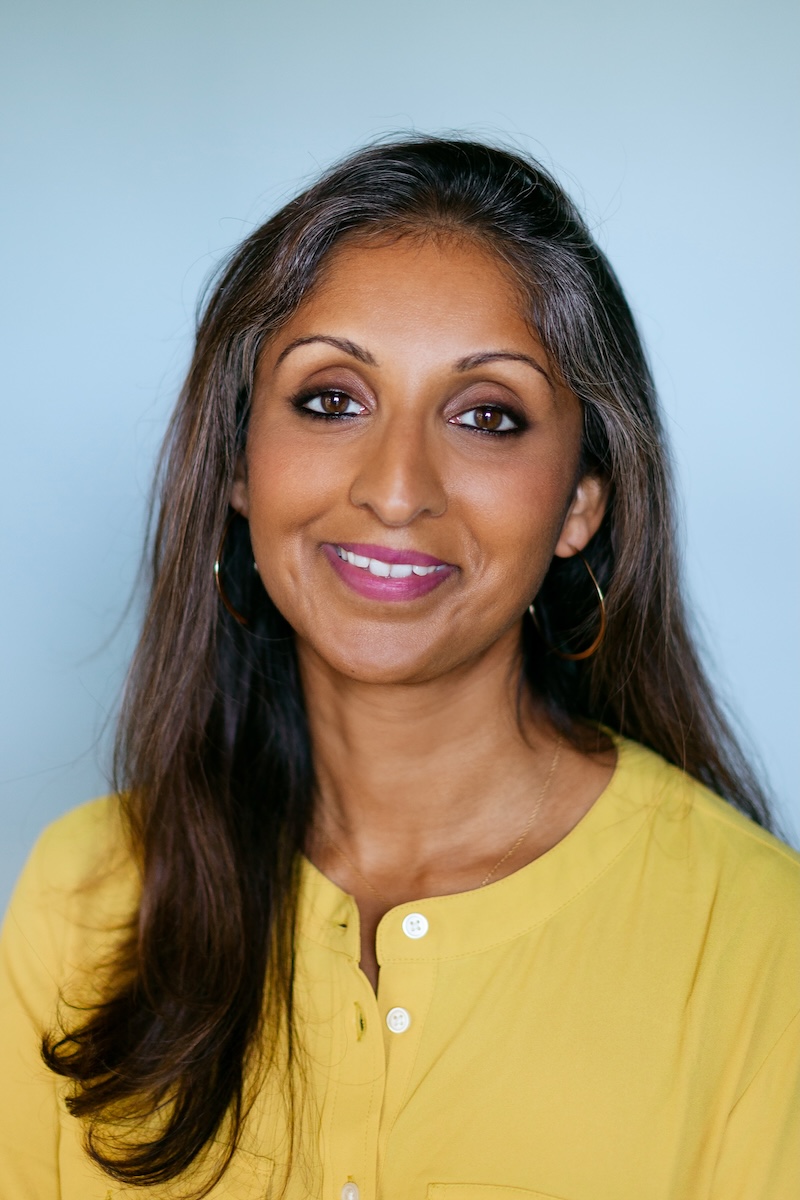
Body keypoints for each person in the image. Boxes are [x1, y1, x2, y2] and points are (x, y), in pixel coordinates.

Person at [1, 136, 798, 1200]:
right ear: (238, 465)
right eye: (330, 399)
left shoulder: (755, 942)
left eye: (485, 416)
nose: (394, 486)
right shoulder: (86, 894)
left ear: (578, 505)